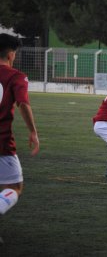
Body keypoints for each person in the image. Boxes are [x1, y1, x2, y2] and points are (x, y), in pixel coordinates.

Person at [0, 33, 40, 216]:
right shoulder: (16, 76)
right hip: (2, 143)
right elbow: (23, 103)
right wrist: (33, 131)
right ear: (10, 55)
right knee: (15, 187)